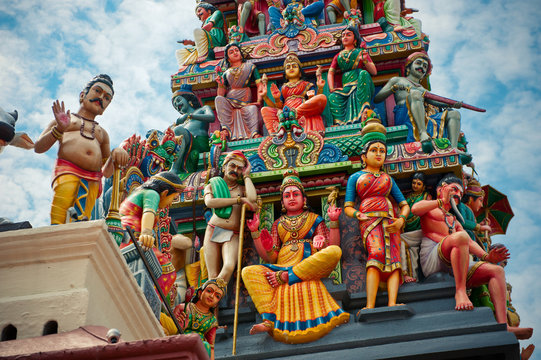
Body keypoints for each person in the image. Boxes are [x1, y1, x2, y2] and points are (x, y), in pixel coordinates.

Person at [411, 174, 533, 340]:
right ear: (440, 189)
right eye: (454, 189)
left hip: (455, 263)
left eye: (460, 193)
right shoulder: (431, 208)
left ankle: (504, 325)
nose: (458, 195)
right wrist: (441, 201)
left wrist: (486, 256)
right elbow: (415, 209)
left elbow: (469, 242)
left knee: (496, 271)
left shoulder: (455, 220)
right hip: (433, 258)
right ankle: (460, 292)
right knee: (459, 238)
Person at [242, 168, 350, 343]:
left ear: (304, 199)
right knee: (248, 272)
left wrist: (332, 224)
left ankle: (288, 277)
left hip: (307, 267)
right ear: (282, 202)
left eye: (295, 194)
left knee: (334, 252)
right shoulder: (278, 224)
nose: (291, 198)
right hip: (281, 267)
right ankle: (268, 319)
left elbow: (332, 247)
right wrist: (257, 235)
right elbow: (271, 258)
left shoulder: (315, 219)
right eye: (287, 195)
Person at [34, 74, 129, 224]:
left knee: (81, 221)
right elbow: (39, 147)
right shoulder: (66, 120)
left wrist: (114, 156)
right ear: (83, 95)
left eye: (106, 98)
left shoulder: (102, 134)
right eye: (97, 91)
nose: (101, 98)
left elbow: (107, 172)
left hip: (92, 179)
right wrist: (58, 129)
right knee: (62, 209)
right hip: (67, 170)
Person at [344, 118, 410, 309]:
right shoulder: (355, 177)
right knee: (376, 254)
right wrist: (357, 215)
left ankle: (392, 302)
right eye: (374, 150)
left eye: (382, 151)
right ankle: (370, 304)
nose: (379, 154)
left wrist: (401, 220)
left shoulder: (387, 178)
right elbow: (348, 206)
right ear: (364, 156)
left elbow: (404, 204)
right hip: (369, 219)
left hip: (390, 220)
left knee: (394, 259)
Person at [374, 52, 463, 154]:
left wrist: (451, 104)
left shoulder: (423, 89)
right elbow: (377, 98)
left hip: (421, 116)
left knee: (454, 114)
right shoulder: (398, 80)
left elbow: (435, 101)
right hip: (405, 114)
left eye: (425, 66)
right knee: (415, 94)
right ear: (409, 67)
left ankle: (454, 148)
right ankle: (423, 133)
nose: (421, 67)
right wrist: (394, 88)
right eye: (418, 63)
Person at [119, 171, 185, 296]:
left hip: (125, 233)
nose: (170, 204)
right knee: (169, 271)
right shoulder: (153, 194)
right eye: (173, 198)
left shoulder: (140, 192)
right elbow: (149, 212)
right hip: (133, 233)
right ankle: (151, 301)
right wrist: (146, 233)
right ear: (165, 193)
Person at [203, 151, 257, 283]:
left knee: (228, 266)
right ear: (224, 167)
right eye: (232, 166)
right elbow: (210, 203)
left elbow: (252, 198)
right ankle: (210, 301)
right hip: (213, 229)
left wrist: (247, 175)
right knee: (213, 274)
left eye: (239, 168)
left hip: (232, 233)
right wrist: (238, 201)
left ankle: (213, 292)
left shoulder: (241, 189)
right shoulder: (212, 185)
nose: (235, 170)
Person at [260, 52, 326, 135]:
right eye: (288, 67)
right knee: (264, 110)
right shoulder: (283, 88)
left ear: (300, 72)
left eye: (294, 66)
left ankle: (293, 115)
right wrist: (267, 97)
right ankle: (280, 127)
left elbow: (314, 100)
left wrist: (320, 87)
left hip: (301, 110)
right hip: (285, 113)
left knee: (321, 98)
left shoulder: (306, 84)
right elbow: (278, 107)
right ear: (286, 75)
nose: (291, 68)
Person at [327, 25, 377, 125]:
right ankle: (339, 122)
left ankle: (365, 111)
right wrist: (331, 88)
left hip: (359, 86)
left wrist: (365, 61)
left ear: (355, 39)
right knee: (332, 97)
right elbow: (330, 72)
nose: (345, 37)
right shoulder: (338, 56)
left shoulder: (361, 52)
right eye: (343, 35)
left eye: (348, 35)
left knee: (364, 73)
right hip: (346, 88)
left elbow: (374, 72)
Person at [215, 43, 264, 141]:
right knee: (218, 99)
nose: (235, 53)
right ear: (228, 58)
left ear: (241, 54)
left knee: (252, 109)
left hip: (245, 99)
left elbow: (259, 84)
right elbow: (221, 94)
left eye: (237, 50)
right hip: (230, 100)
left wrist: (259, 100)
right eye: (231, 52)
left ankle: (253, 134)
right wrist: (220, 84)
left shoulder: (250, 67)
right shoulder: (226, 72)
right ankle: (225, 130)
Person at [174, 278, 226, 360]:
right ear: (200, 292)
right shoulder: (183, 308)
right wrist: (178, 325)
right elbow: (170, 330)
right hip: (180, 345)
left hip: (198, 351)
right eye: (209, 291)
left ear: (216, 304)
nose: (212, 296)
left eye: (217, 296)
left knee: (205, 345)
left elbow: (211, 346)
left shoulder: (212, 321)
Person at [172, 85, 215, 173]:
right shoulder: (181, 122)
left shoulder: (202, 109)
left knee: (178, 130)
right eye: (175, 105)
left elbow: (211, 117)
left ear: (188, 100)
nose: (177, 105)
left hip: (199, 142)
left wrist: (190, 116)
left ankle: (175, 169)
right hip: (185, 143)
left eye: (178, 100)